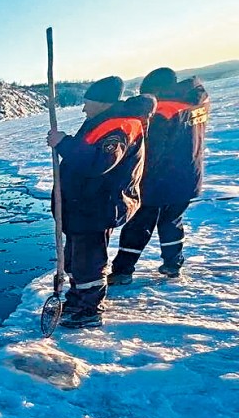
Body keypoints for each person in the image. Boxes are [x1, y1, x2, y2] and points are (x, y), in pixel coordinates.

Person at [47, 76, 155, 328]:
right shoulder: (102, 122)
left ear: (102, 103)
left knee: (89, 263)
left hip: (97, 206)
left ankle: (89, 311)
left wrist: (64, 143)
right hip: (83, 205)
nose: (84, 108)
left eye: (88, 102)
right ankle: (77, 300)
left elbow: (99, 163)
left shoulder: (119, 128)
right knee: (75, 260)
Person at [109, 68, 210, 283]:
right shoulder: (197, 100)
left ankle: (122, 271)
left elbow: (153, 148)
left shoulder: (163, 110)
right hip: (189, 175)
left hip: (159, 179)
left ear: (156, 90)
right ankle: (173, 265)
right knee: (172, 220)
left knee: (138, 222)